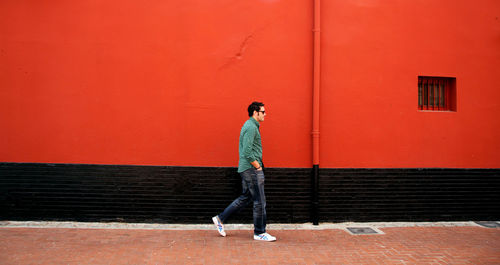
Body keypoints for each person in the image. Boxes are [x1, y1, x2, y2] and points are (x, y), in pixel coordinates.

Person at [212, 101, 276, 242]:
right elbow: (247, 151)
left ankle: (220, 218)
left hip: (248, 168)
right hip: (251, 169)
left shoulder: (251, 126)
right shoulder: (251, 127)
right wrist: (257, 166)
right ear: (255, 113)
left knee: (246, 197)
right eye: (263, 112)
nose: (265, 114)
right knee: (260, 201)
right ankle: (259, 232)